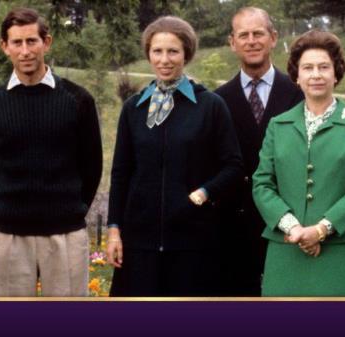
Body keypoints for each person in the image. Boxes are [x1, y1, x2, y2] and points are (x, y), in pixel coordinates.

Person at [106, 16, 243, 296]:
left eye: (173, 51)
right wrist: (114, 229)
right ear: (148, 54)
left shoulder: (210, 105)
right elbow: (121, 172)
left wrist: (202, 194)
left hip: (192, 241)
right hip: (139, 242)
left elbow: (233, 166)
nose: (165, 59)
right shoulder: (133, 108)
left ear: (186, 54)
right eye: (157, 51)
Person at [0, 7, 102, 296]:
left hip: (65, 233)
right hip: (10, 235)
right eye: (17, 43)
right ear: (4, 47)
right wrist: (0, 208)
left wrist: (74, 208)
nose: (25, 50)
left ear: (47, 42)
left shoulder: (78, 100)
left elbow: (92, 165)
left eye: (32, 41)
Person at [253, 30, 345, 296]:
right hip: (286, 249)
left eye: (324, 67)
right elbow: (262, 183)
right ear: (297, 76)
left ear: (336, 73)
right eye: (307, 68)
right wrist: (295, 229)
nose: (316, 74)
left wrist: (321, 230)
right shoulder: (278, 125)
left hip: (340, 252)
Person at [214, 7, 303, 296]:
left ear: (273, 38)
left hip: (289, 221)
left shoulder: (299, 93)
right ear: (232, 42)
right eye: (244, 35)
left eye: (258, 33)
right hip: (234, 227)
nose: (251, 41)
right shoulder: (218, 101)